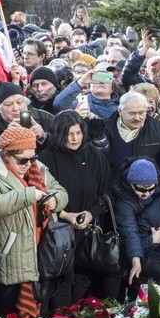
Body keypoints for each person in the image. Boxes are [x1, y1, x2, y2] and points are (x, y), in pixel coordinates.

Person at [38, 111, 112, 307]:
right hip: (58, 235)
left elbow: (106, 193)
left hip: (88, 234)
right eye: (69, 134)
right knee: (60, 285)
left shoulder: (96, 156)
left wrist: (92, 213)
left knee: (84, 282)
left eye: (78, 133)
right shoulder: (46, 159)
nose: (74, 138)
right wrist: (65, 215)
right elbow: (41, 197)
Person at [0, 127, 68, 318]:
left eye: (32, 158)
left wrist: (56, 201)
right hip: (11, 259)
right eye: (22, 160)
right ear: (6, 155)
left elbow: (61, 191)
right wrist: (27, 195)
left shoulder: (37, 167)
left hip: (40, 256)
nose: (28, 164)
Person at [112, 157, 160, 295]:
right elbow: (130, 232)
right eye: (140, 189)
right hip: (134, 248)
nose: (146, 194)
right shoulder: (124, 202)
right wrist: (136, 260)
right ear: (130, 184)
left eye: (151, 189)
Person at [0, 81, 54, 150]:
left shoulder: (45, 117)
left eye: (19, 102)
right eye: (8, 104)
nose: (16, 108)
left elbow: (61, 146)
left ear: (26, 102)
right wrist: (5, 138)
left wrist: (44, 136)